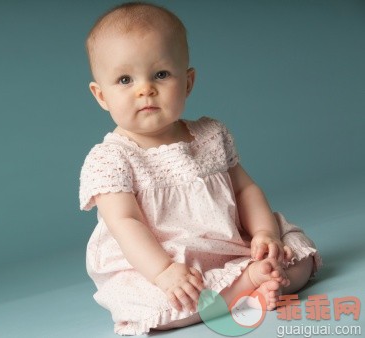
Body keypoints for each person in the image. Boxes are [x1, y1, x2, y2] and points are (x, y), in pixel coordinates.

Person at [79, 2, 322, 335]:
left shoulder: (210, 134)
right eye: (124, 79)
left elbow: (244, 190)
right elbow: (125, 222)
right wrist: (164, 272)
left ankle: (257, 277)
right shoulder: (110, 158)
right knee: (155, 302)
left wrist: (264, 233)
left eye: (161, 74)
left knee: (297, 250)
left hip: (229, 240)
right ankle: (248, 284)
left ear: (188, 82)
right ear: (101, 95)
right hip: (163, 261)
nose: (145, 89)